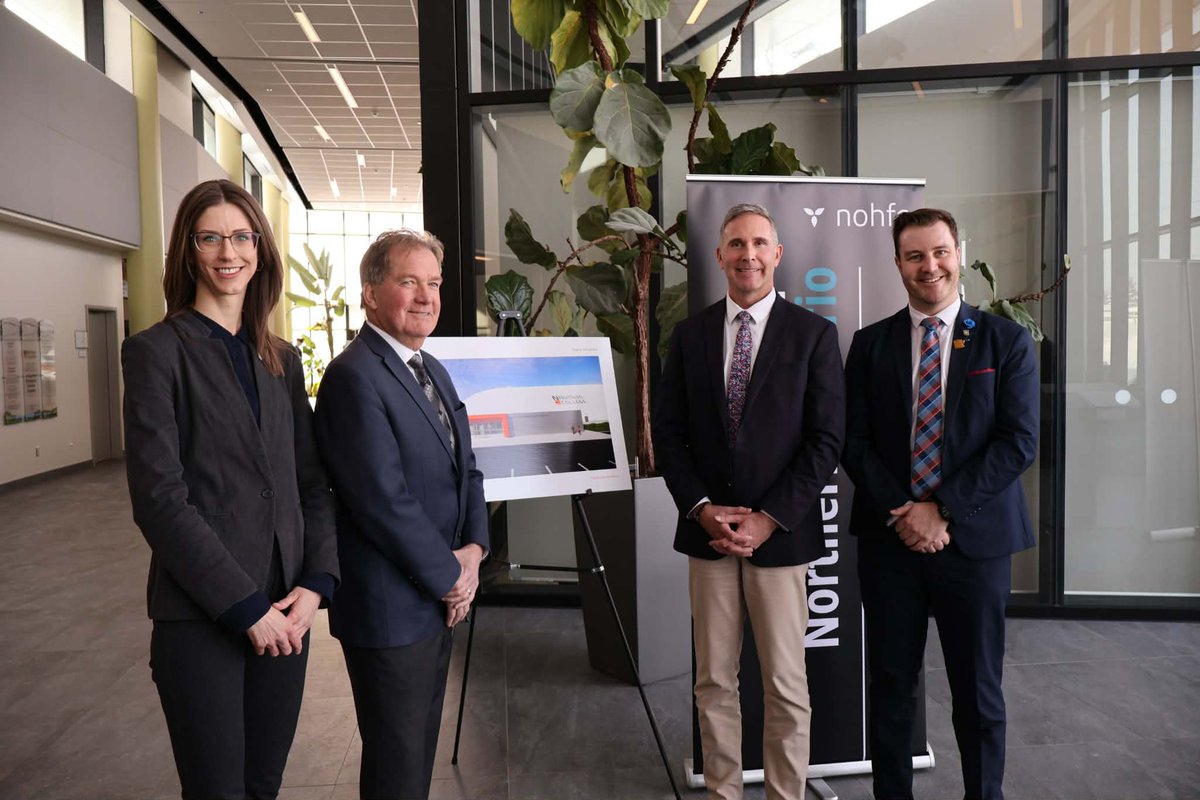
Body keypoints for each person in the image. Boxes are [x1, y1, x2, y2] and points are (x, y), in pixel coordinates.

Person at [122, 178, 339, 799]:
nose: (228, 253)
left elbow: (311, 483)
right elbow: (160, 500)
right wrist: (245, 607)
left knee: (263, 785)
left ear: (260, 249)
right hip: (203, 616)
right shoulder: (156, 353)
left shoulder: (282, 359)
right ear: (188, 251)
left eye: (242, 237)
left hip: (288, 611)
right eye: (210, 237)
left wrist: (317, 584)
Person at [843, 208, 1039, 800]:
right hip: (891, 543)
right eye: (915, 256)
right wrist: (906, 512)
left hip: (974, 544)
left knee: (978, 692)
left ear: (959, 252)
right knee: (891, 687)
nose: (930, 267)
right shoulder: (869, 344)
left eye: (940, 252)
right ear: (897, 263)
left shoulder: (1005, 341)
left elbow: (1019, 441)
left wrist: (942, 509)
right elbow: (853, 441)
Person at [652, 203, 845, 800]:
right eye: (736, 244)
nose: (748, 255)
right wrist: (701, 507)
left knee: (786, 684)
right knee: (713, 682)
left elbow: (826, 440)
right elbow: (670, 432)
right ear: (720, 256)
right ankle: (724, 793)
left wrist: (768, 518)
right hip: (708, 536)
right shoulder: (689, 335)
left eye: (760, 243)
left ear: (777, 254)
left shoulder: (813, 335)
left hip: (780, 538)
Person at [314, 229, 488, 800]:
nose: (425, 296)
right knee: (396, 763)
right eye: (408, 281)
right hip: (391, 610)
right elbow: (381, 501)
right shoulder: (352, 377)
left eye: (433, 283)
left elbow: (468, 469)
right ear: (370, 293)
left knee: (414, 757)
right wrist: (451, 579)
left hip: (435, 600)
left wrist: (475, 551)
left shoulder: (430, 367)